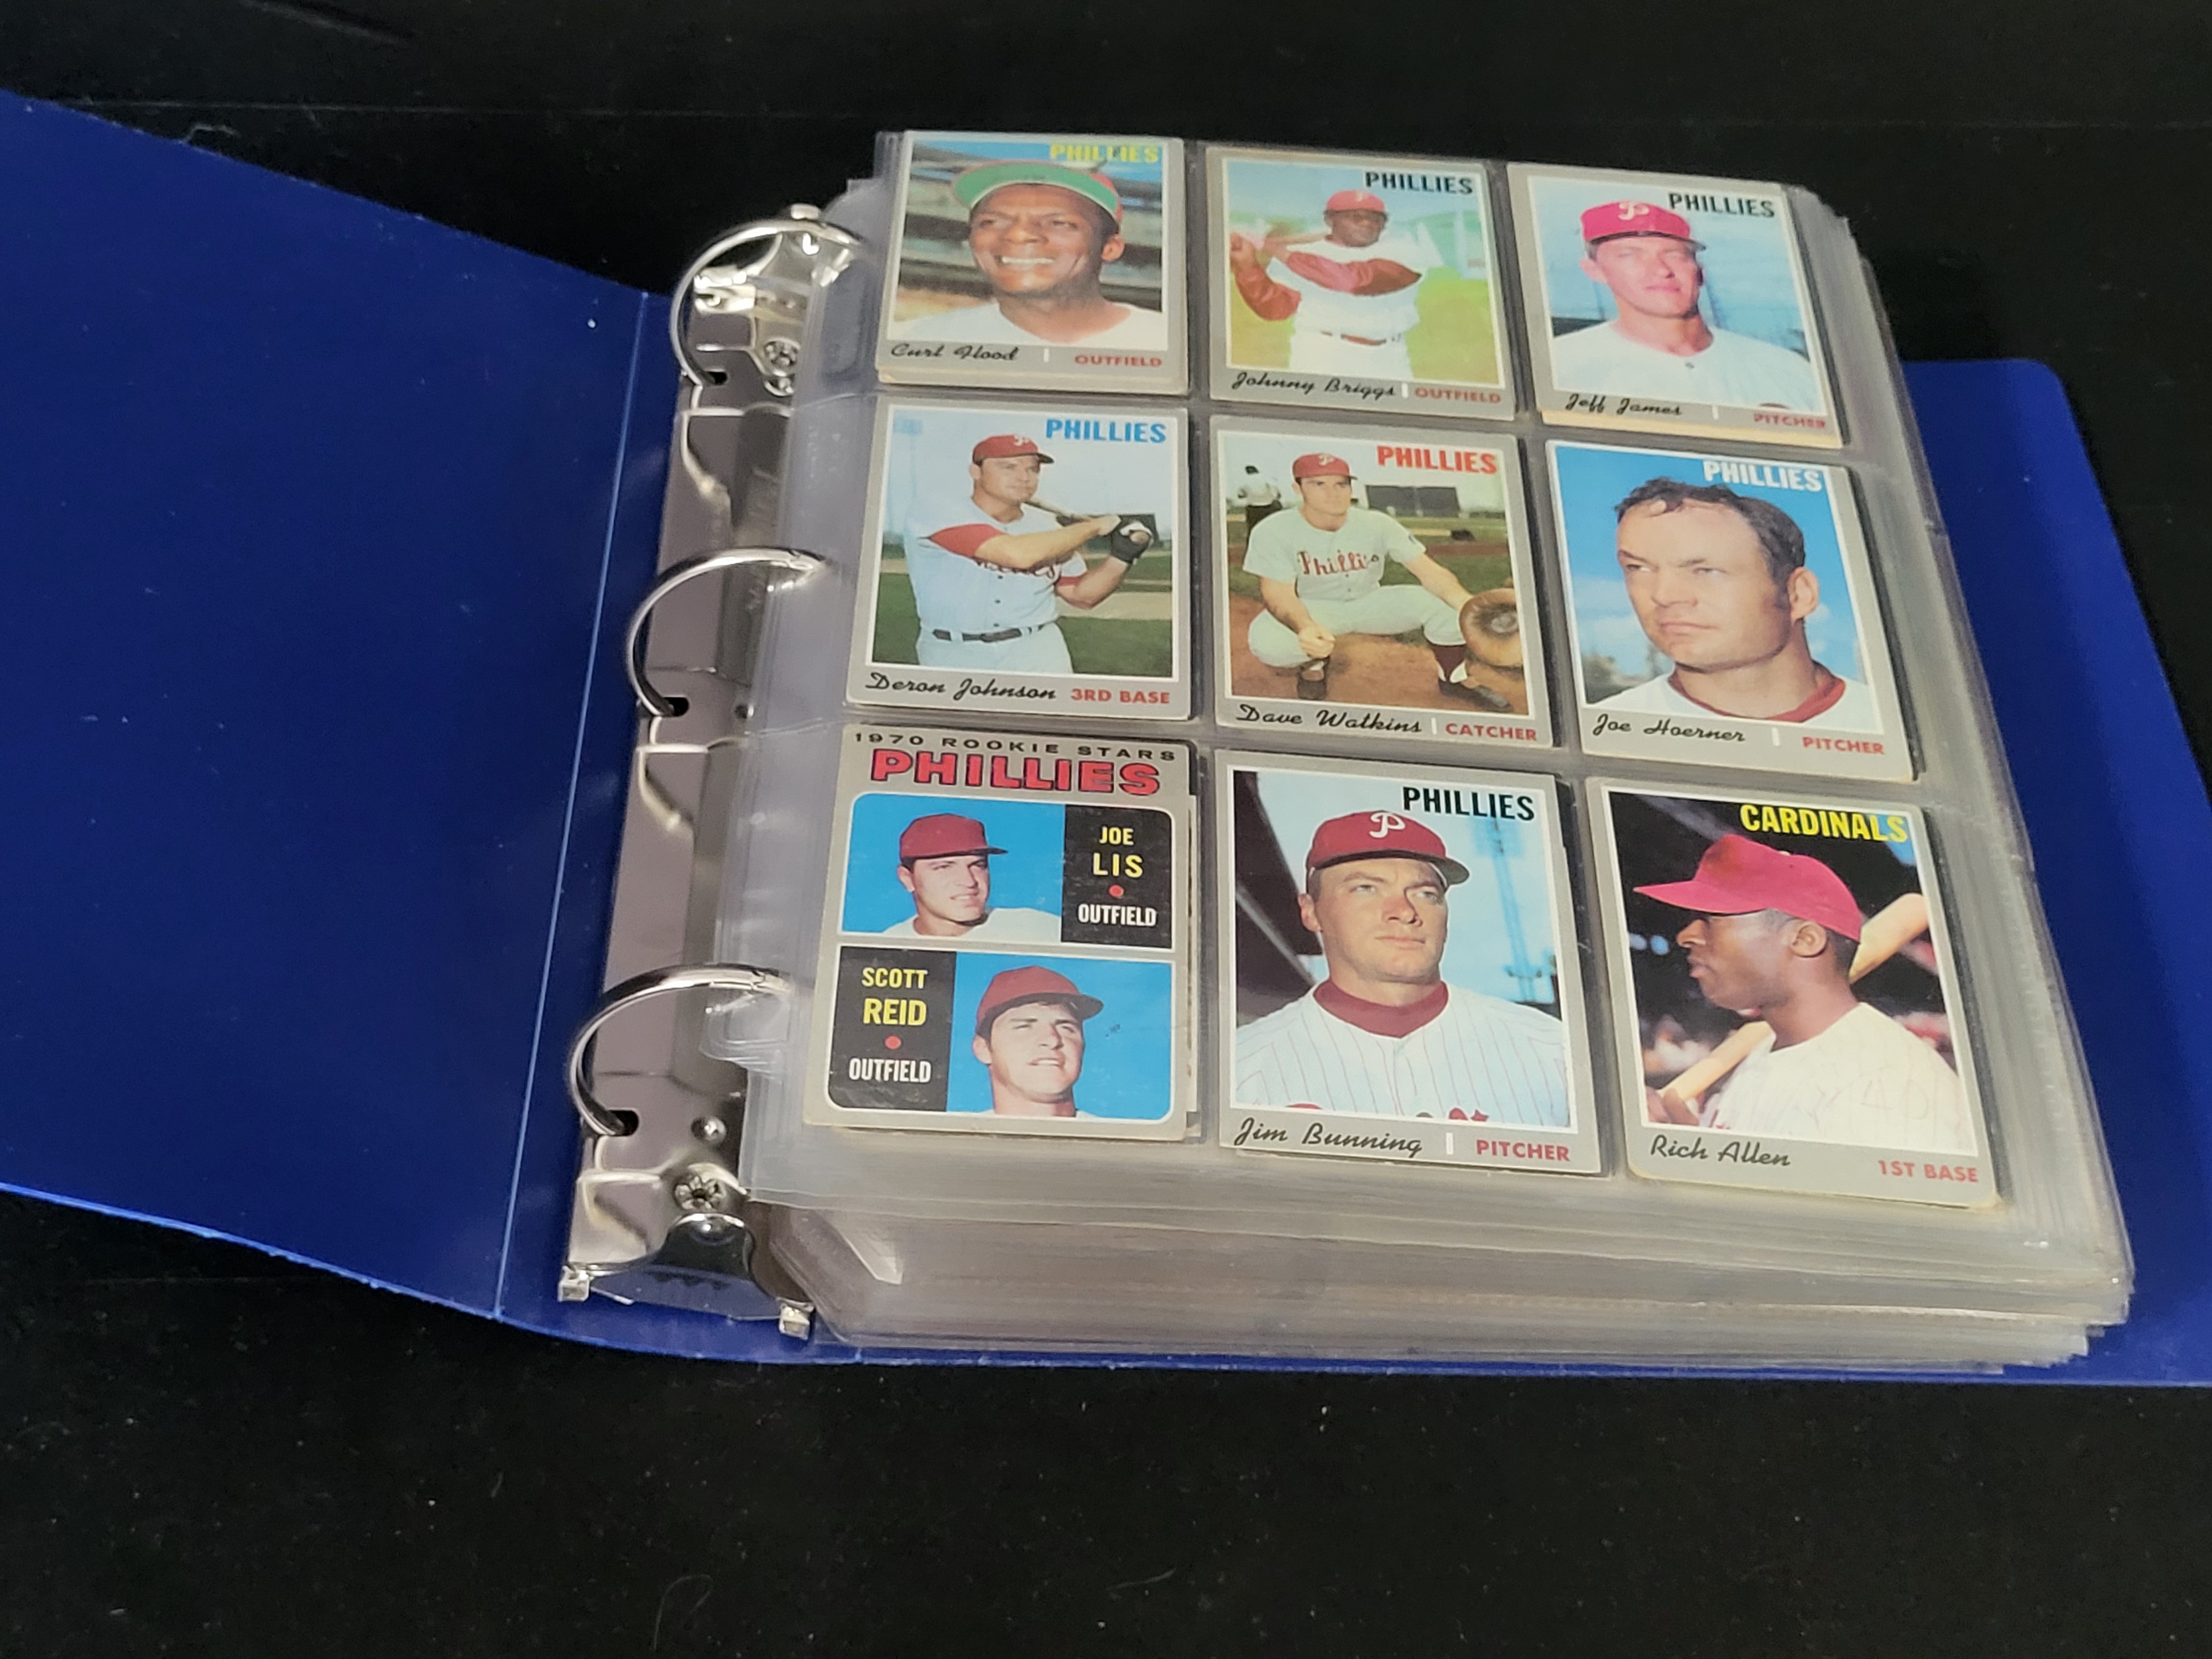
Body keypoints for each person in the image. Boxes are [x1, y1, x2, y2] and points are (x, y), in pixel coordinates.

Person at [1636, 833, 1974, 1152]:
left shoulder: (1888, 1087)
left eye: (1714, 918)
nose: (1686, 936)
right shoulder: (1767, 1047)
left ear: (1805, 940)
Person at [1235, 811, 1569, 1121]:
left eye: (1425, 894)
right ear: (1311, 912)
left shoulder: (1554, 1051)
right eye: (1366, 889)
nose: (1405, 911)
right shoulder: (1240, 1066)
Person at [1593, 477, 1876, 726]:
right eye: (1638, 568)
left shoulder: (1880, 721)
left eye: (1705, 571)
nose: (1664, 596)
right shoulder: (1608, 727)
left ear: (1798, 595)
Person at [1240, 452, 1499, 705]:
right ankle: (1314, 664)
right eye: (1319, 484)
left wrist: (1467, 603)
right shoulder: (1273, 530)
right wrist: (1304, 626)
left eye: (1341, 484)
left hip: (1370, 601)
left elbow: (1429, 571)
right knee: (1268, 643)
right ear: (1298, 489)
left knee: (1449, 606)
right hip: (1315, 607)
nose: (1333, 493)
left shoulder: (1377, 523)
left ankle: (1454, 678)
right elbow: (1278, 593)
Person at [898, 432, 1148, 673]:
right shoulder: (937, 512)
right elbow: (1017, 555)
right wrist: (1095, 526)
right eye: (1009, 467)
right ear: (976, 472)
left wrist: (1123, 556)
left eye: (1033, 469)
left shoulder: (1049, 529)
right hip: (953, 652)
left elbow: (1082, 596)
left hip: (1037, 651)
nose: (1024, 477)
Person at [1549, 200, 1820, 409]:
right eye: (1630, 255)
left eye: (1675, 255)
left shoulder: (1787, 368)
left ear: (1699, 270)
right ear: (1594, 270)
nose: (1661, 270)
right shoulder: (1560, 364)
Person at [893, 160, 1167, 348]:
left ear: (1110, 248)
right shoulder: (917, 339)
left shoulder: (1163, 339)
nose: (1019, 235)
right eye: (992, 222)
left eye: (1059, 223)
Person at [1227, 187, 1442, 379]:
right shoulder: (1303, 253)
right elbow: (1275, 308)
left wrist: (1276, 249)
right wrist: (1248, 266)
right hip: (1322, 351)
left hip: (1388, 355)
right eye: (1356, 217)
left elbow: (1355, 280)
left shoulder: (1403, 251)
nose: (1367, 224)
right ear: (1330, 220)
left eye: (1376, 219)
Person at [879, 812, 1058, 942]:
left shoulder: (1040, 929)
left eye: (978, 865)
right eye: (944, 867)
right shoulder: (890, 944)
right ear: (907, 879)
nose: (969, 881)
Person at [968, 964, 1103, 1118]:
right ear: (983, 1049)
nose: (1052, 1040)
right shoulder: (959, 1131)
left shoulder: (1116, 1132)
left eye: (1066, 1027)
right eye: (1024, 1027)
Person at [1232, 464, 1283, 536]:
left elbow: (1240, 495)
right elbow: (1278, 495)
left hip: (1253, 509)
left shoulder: (1245, 481)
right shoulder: (1267, 479)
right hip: (1269, 508)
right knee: (1271, 530)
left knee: (1253, 530)